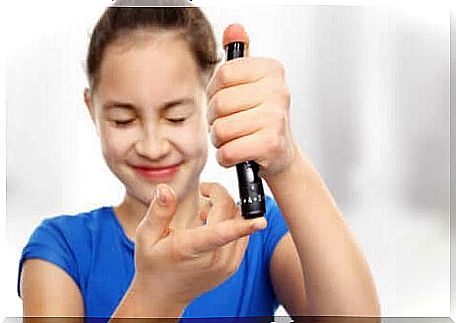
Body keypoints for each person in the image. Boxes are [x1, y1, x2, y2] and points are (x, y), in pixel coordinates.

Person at [17, 1, 381, 321]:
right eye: (123, 120)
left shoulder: (257, 230)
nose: (153, 145)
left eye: (176, 116)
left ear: (212, 98)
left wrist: (287, 165)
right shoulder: (60, 249)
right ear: (90, 109)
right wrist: (156, 297)